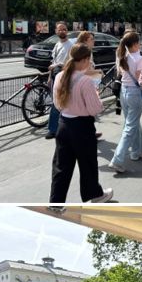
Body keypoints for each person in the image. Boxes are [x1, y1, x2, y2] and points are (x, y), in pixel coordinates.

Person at [49, 43, 114, 203]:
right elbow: (95, 109)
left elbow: (57, 104)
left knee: (61, 168)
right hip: (82, 127)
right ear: (85, 60)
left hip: (63, 124)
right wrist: (97, 96)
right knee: (88, 164)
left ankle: (55, 202)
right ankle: (94, 195)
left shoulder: (59, 76)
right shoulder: (85, 81)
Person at [109, 32, 142, 173]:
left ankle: (136, 151)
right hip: (134, 93)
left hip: (124, 92)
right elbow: (140, 78)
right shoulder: (139, 58)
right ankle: (117, 159)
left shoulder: (121, 56)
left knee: (132, 123)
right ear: (135, 44)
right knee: (131, 126)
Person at [46, 22, 75, 139]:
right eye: (60, 29)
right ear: (56, 32)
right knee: (58, 102)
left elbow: (72, 62)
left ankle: (53, 129)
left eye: (64, 29)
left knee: (57, 102)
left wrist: (58, 65)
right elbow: (53, 62)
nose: (62, 31)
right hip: (55, 75)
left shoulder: (71, 45)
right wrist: (49, 76)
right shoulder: (57, 45)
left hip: (65, 75)